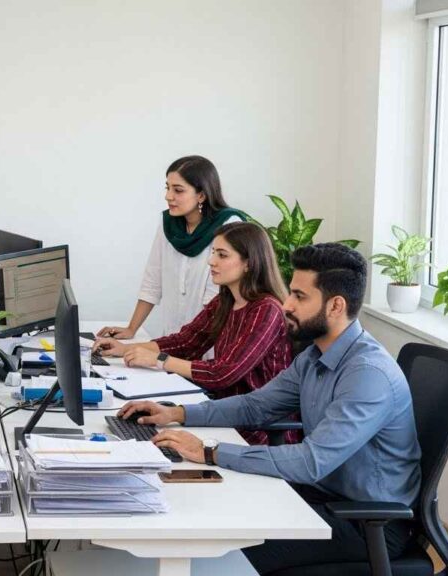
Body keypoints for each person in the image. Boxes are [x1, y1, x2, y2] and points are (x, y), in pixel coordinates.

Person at [117, 243, 420, 574]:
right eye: (291, 293)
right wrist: (176, 413)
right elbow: (255, 406)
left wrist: (208, 452)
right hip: (317, 497)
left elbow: (311, 462)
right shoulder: (315, 356)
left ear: (335, 306)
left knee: (221, 553)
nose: (286, 305)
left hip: (365, 524)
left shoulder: (367, 375)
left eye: (300, 297)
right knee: (208, 514)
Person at [95, 222, 295, 445]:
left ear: (248, 263)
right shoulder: (225, 300)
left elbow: (223, 373)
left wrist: (160, 360)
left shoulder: (266, 310)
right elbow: (186, 341)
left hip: (256, 429)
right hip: (221, 413)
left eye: (222, 255)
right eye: (213, 253)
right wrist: (127, 349)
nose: (211, 261)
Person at [97, 155, 248, 341]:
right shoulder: (168, 224)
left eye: (178, 190)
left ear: (201, 194)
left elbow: (215, 299)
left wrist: (181, 347)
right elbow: (153, 280)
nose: (168, 196)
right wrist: (131, 329)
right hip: (173, 339)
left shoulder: (228, 225)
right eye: (167, 188)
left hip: (210, 342)